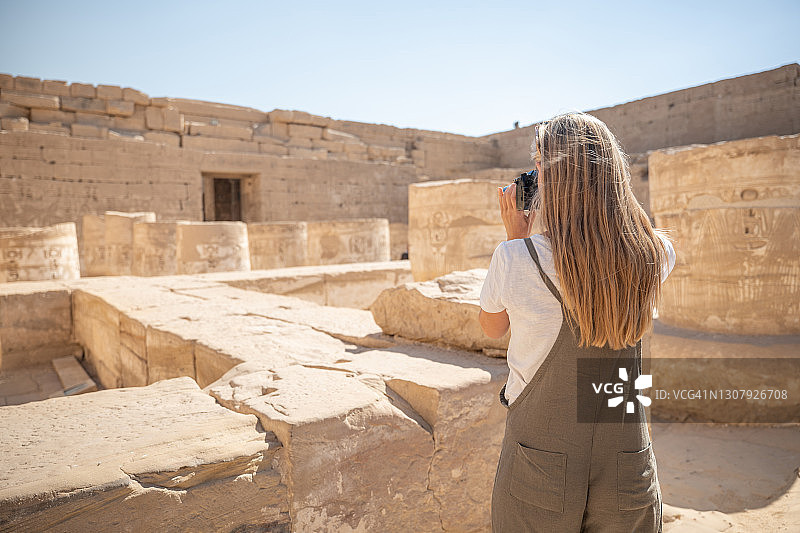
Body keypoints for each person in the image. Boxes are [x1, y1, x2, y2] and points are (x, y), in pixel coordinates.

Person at [479, 112, 676, 532]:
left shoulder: (516, 258)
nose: (532, 176)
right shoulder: (654, 253)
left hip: (541, 457)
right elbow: (607, 249)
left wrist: (518, 238)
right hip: (627, 456)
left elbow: (493, 327)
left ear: (556, 178)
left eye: (538, 166)